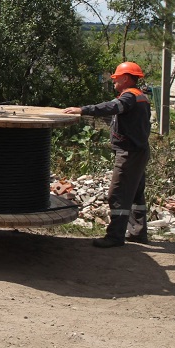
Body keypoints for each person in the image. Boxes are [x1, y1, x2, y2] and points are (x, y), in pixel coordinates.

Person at [63, 61, 151, 248]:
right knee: (135, 194)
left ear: (126, 79)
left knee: (118, 194)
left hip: (129, 153)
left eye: (116, 79)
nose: (114, 83)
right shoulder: (140, 96)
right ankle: (138, 232)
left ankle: (115, 236)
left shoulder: (128, 97)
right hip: (140, 151)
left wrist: (83, 110)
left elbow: (110, 107)